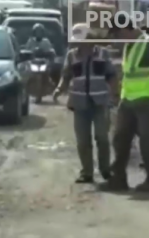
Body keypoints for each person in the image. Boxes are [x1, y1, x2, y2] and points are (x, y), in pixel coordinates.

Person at [102, 12, 149, 192]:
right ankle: (118, 178)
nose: (116, 38)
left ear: (127, 29)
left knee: (148, 140)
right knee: (120, 138)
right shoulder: (130, 46)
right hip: (129, 99)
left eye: (117, 33)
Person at [52, 23, 118, 184]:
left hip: (100, 102)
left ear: (90, 38)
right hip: (79, 103)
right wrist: (59, 89)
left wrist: (115, 94)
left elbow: (111, 75)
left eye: (82, 39)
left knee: (102, 137)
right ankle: (87, 172)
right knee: (83, 140)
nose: (78, 43)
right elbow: (66, 75)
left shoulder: (103, 54)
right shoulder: (72, 55)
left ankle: (105, 170)